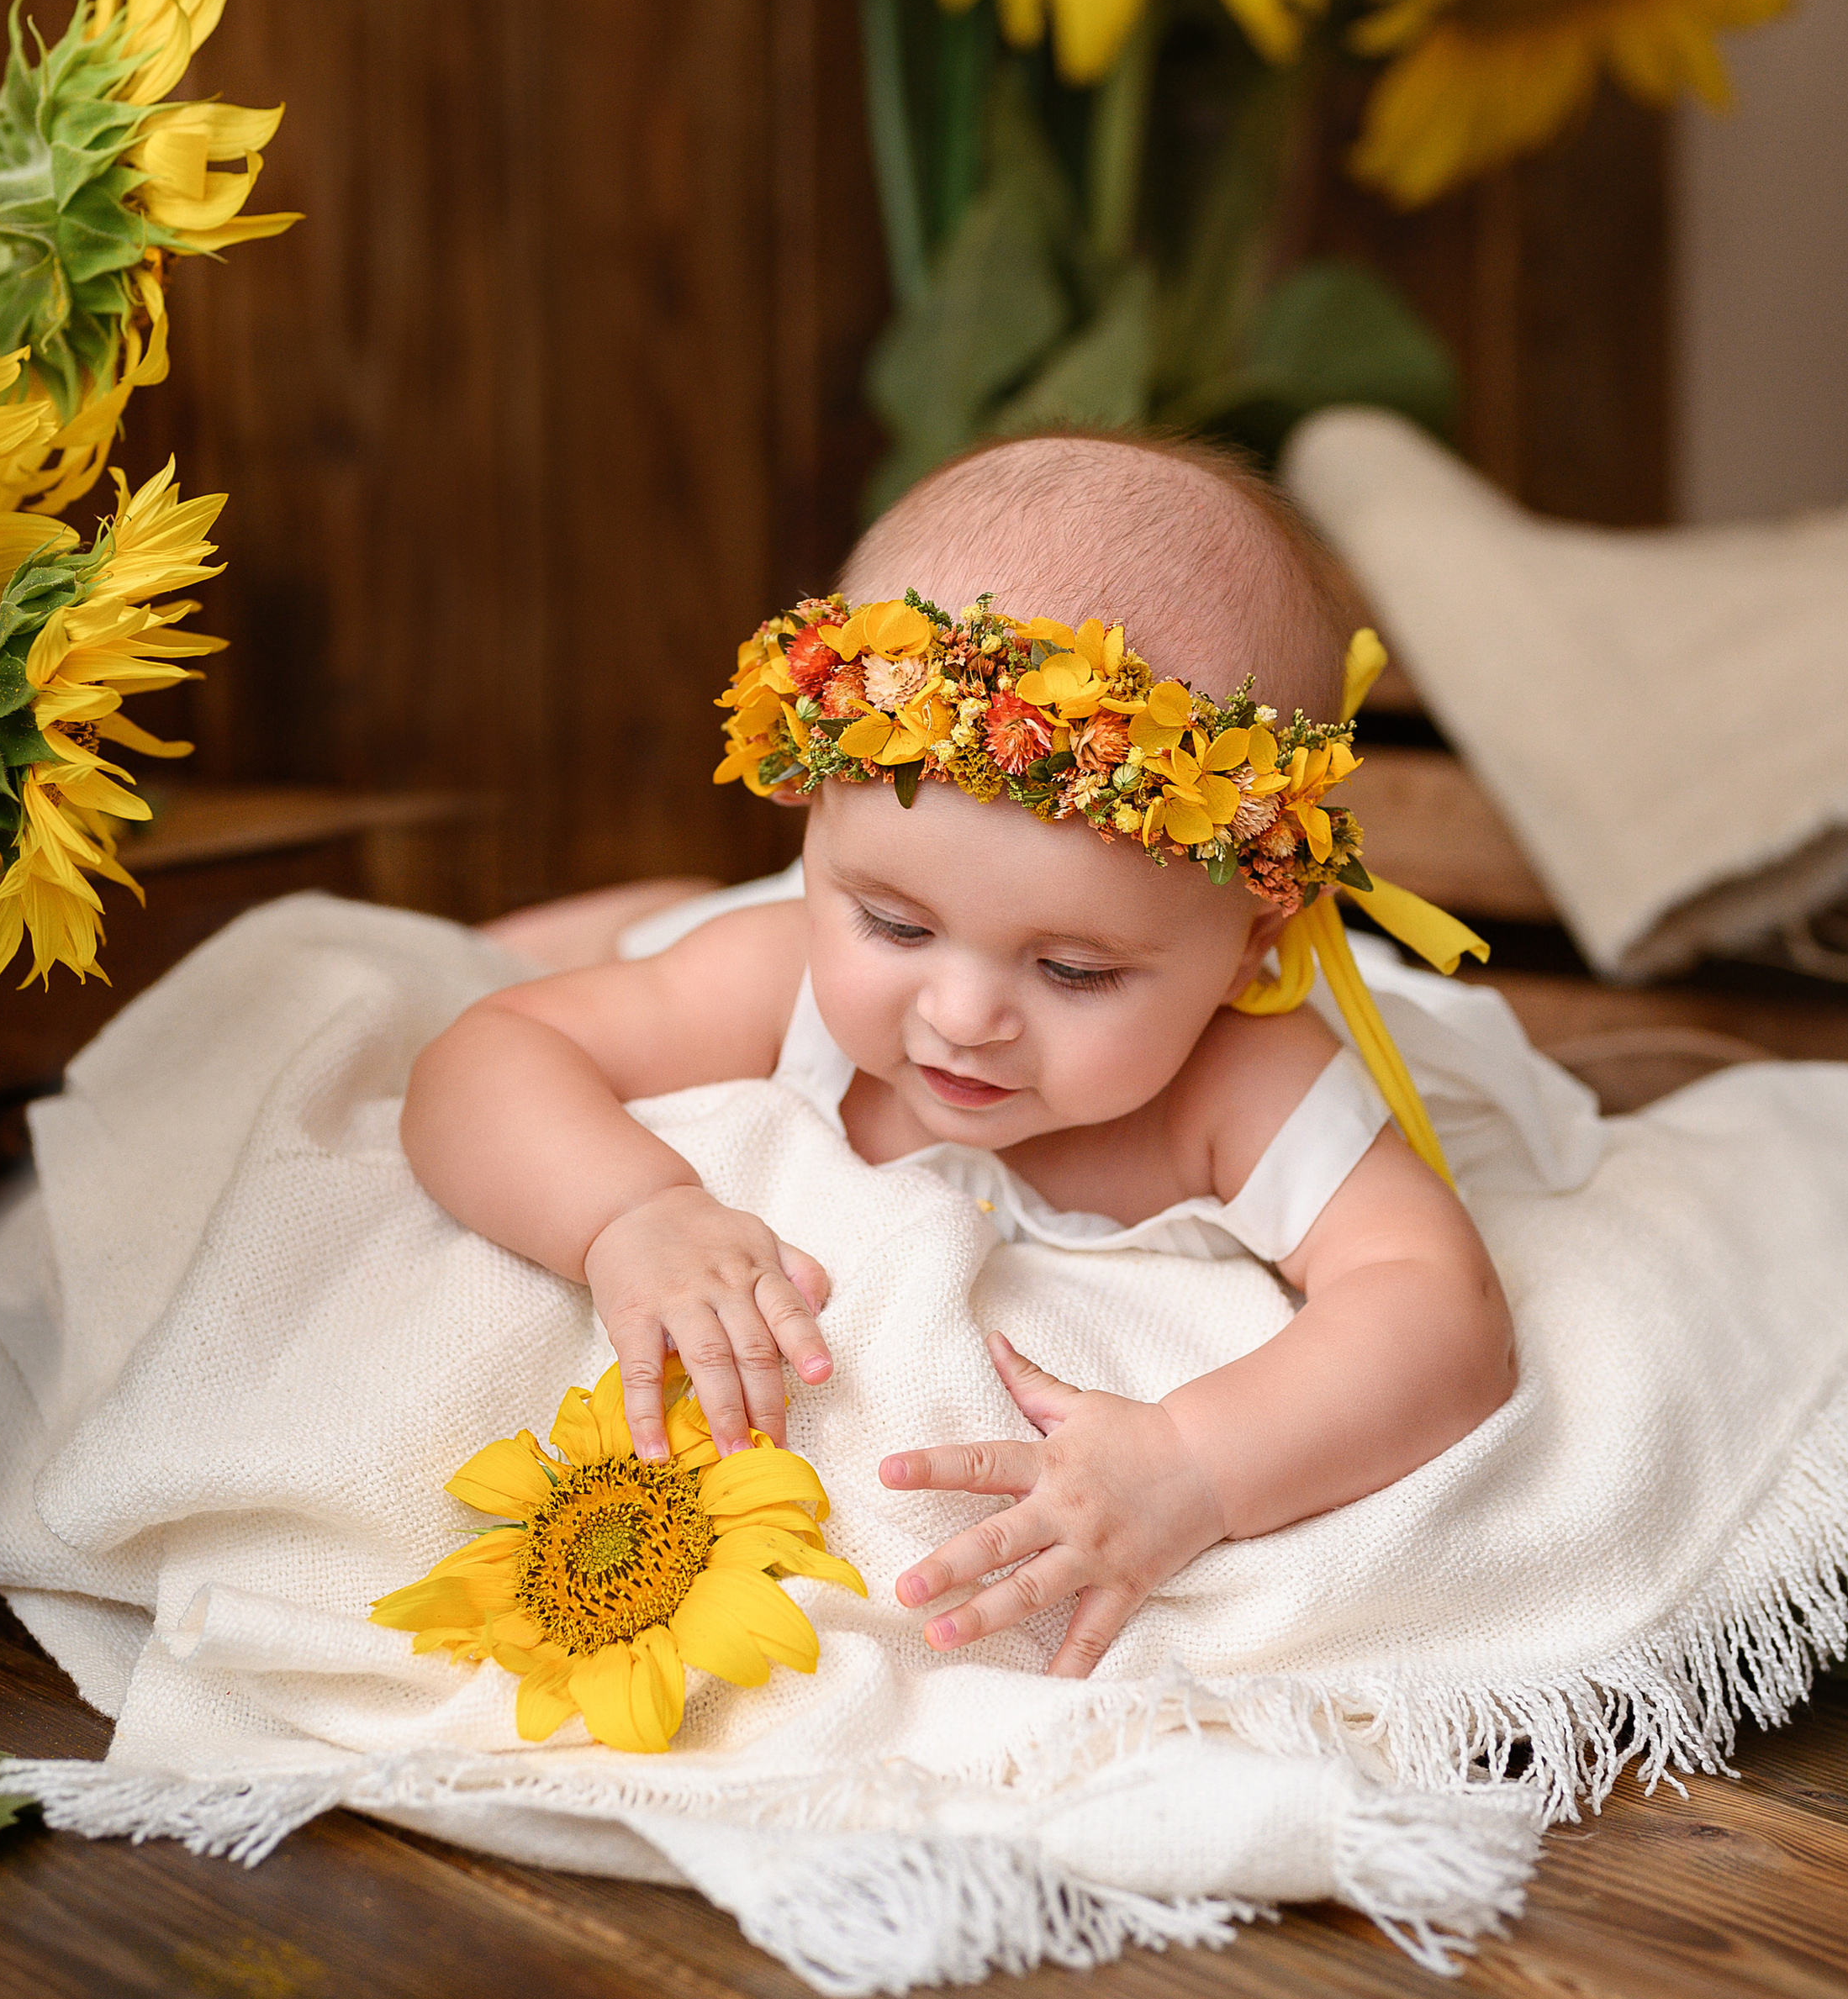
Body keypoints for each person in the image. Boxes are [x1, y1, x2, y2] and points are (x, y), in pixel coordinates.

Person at [404, 432, 1515, 1679]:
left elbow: (1440, 1306)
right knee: (656, 942)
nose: (964, 1015)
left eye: (1075, 970)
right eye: (891, 922)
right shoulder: (786, 974)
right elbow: (485, 1055)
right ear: (815, 822)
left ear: (1251, 943)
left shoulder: (1240, 1074)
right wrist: (631, 1210)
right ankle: (652, 904)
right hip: (725, 936)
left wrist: (1197, 1463)